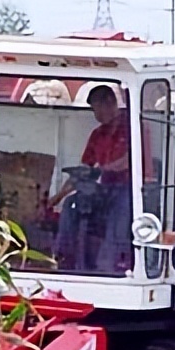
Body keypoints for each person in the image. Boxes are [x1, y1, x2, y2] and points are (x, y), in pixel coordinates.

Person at [51, 84, 147, 272]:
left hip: (130, 189)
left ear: (111, 102)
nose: (96, 115)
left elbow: (130, 160)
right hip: (104, 189)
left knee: (118, 214)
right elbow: (83, 169)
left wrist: (102, 170)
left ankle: (108, 265)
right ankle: (63, 258)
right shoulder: (97, 134)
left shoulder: (134, 127)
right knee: (72, 204)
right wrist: (56, 198)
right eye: (94, 110)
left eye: (98, 108)